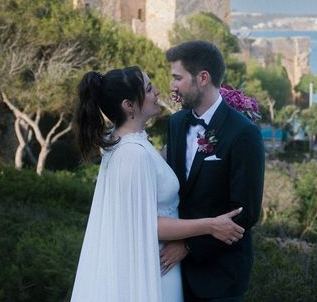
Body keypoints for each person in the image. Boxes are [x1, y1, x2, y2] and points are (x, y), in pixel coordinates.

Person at [70, 67, 246, 302]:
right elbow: (147, 224)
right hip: (154, 266)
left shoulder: (126, 142)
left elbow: (157, 172)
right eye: (149, 88)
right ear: (129, 105)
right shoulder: (133, 155)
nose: (157, 92)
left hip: (158, 260)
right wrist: (210, 225)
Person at [163, 41, 266, 301]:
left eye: (177, 78)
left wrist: (187, 246)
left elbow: (246, 213)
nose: (172, 86)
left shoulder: (243, 133)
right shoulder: (175, 124)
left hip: (220, 276)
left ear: (203, 78)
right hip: (173, 274)